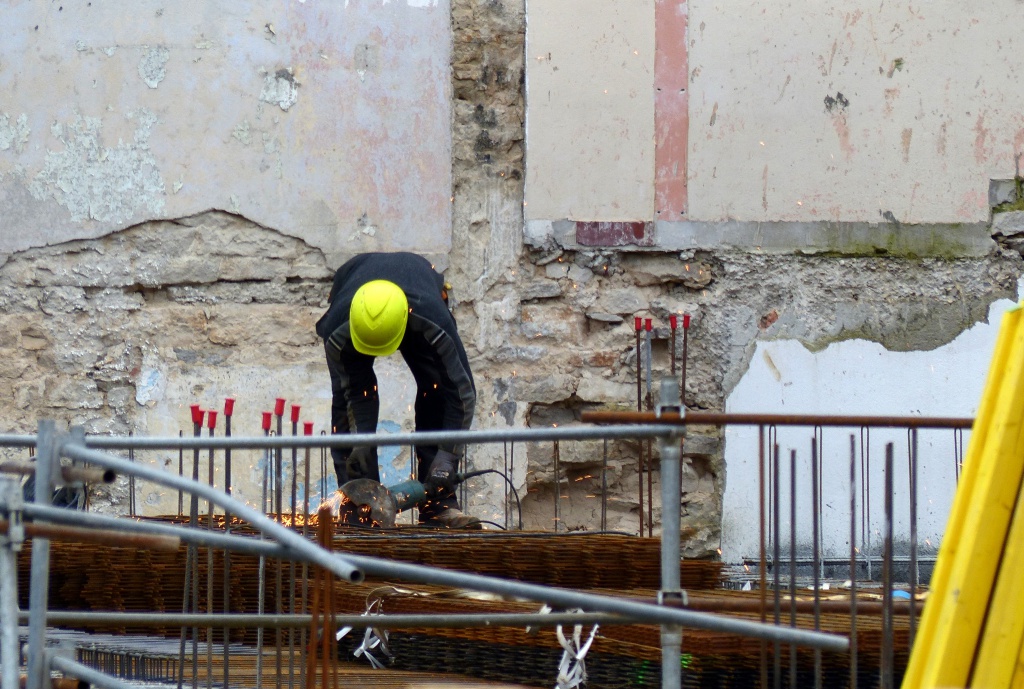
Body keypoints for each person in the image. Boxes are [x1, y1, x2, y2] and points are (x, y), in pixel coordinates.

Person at [315, 252, 480, 528]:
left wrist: (447, 456)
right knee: (351, 404)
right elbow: (349, 399)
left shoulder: (434, 319)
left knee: (436, 391)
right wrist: (357, 453)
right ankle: (358, 504)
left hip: (418, 306)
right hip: (354, 316)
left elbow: (461, 393)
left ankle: (438, 505)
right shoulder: (337, 329)